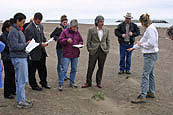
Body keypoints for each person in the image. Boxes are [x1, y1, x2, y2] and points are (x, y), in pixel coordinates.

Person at [128, 13, 159, 103]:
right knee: (151, 74)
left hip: (150, 55)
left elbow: (150, 43)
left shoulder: (150, 29)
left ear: (143, 22)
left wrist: (141, 45)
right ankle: (151, 92)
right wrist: (134, 47)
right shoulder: (149, 28)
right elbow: (143, 40)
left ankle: (143, 96)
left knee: (145, 75)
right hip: (152, 54)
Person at [7, 13, 32, 108]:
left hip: (22, 57)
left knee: (23, 80)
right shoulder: (13, 31)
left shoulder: (18, 30)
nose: (23, 23)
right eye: (22, 22)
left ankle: (22, 98)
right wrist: (26, 45)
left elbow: (19, 44)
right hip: (18, 58)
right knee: (21, 80)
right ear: (17, 21)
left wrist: (27, 44)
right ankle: (21, 101)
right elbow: (13, 46)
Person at [82, 15, 110, 88]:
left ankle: (99, 82)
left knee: (101, 67)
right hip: (93, 51)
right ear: (97, 22)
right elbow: (88, 41)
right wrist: (90, 49)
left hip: (103, 51)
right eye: (101, 21)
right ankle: (88, 82)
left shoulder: (107, 30)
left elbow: (108, 40)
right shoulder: (91, 30)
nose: (102, 23)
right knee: (90, 67)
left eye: (103, 21)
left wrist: (107, 49)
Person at [24, 12, 51, 91]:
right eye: (38, 21)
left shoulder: (41, 26)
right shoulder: (29, 28)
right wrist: (40, 44)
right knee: (32, 70)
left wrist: (45, 40)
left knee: (43, 68)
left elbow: (42, 35)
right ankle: (34, 85)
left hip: (42, 52)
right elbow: (31, 42)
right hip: (33, 53)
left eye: (40, 21)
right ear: (35, 19)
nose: (39, 22)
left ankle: (43, 82)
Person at [59, 19, 83, 91]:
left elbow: (81, 40)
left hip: (75, 53)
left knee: (74, 69)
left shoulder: (77, 33)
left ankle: (72, 82)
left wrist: (80, 44)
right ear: (70, 26)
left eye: (76, 27)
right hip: (66, 53)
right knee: (64, 69)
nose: (75, 29)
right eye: (73, 27)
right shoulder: (65, 32)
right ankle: (60, 83)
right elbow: (60, 40)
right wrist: (66, 40)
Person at [50, 15, 69, 87]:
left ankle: (64, 75)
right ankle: (60, 75)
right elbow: (52, 35)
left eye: (66, 22)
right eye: (64, 22)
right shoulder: (58, 28)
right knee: (60, 62)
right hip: (60, 48)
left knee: (65, 62)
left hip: (67, 48)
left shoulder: (68, 28)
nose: (65, 23)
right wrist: (58, 39)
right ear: (61, 22)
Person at [0, 20, 16, 99]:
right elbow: (7, 46)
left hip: (11, 56)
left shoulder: (9, 34)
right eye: (11, 28)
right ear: (7, 28)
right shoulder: (3, 36)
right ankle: (7, 93)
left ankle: (13, 90)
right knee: (8, 75)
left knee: (12, 74)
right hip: (6, 58)